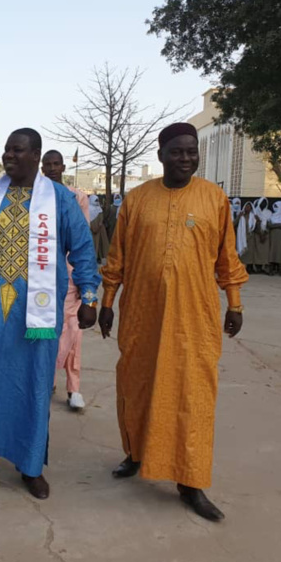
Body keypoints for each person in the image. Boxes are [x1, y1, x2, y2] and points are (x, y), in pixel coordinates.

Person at [98, 122, 248, 522]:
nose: (186, 158)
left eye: (191, 152)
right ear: (161, 154)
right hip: (141, 314)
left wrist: (234, 303)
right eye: (177, 152)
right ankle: (135, 453)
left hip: (193, 317)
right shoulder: (137, 199)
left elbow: (227, 259)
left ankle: (191, 482)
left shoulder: (214, 199)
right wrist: (107, 300)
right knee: (137, 381)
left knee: (191, 394)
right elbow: (118, 258)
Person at [0, 128, 100, 499]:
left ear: (36, 155)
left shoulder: (60, 199)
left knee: (31, 384)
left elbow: (82, 248)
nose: (8, 156)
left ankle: (30, 466)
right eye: (6, 149)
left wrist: (90, 296)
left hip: (37, 317)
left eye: (17, 150)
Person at [41, 149, 90, 411]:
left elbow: (82, 241)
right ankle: (46, 379)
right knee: (44, 329)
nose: (51, 168)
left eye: (56, 164)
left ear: (62, 167)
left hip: (69, 273)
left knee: (73, 330)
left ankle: (74, 388)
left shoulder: (76, 197)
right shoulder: (34, 197)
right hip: (40, 273)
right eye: (47, 164)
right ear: (41, 168)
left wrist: (84, 277)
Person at [250, 197, 271, 272]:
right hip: (257, 234)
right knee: (257, 251)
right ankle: (257, 267)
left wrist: (264, 234)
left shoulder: (269, 212)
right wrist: (259, 233)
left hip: (266, 235)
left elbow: (270, 224)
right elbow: (252, 223)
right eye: (262, 202)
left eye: (265, 203)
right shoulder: (255, 212)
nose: (263, 204)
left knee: (265, 252)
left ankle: (263, 267)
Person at [88, 194, 110, 264]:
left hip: (100, 230)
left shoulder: (99, 209)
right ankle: (94, 258)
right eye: (95, 200)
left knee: (101, 244)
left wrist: (99, 226)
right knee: (93, 244)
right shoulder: (88, 209)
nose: (96, 202)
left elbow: (101, 218)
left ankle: (100, 257)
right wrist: (92, 228)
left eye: (97, 200)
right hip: (91, 230)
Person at [236, 202, 256, 271]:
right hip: (242, 236)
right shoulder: (241, 216)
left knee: (250, 252)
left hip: (250, 236)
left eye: (249, 207)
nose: (247, 208)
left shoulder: (253, 216)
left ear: (251, 208)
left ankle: (250, 268)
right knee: (243, 252)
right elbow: (234, 224)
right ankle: (242, 267)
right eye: (246, 206)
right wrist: (239, 216)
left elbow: (255, 227)